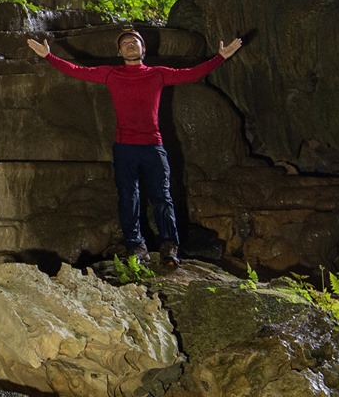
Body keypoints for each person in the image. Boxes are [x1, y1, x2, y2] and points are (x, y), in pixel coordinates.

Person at [24, 26, 242, 268]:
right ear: (119, 51)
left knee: (163, 197)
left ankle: (170, 246)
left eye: (134, 42)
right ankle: (135, 246)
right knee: (129, 198)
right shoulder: (111, 74)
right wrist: (48, 56)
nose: (129, 45)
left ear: (143, 49)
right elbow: (77, 70)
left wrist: (221, 57)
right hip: (125, 147)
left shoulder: (157, 74)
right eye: (125, 43)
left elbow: (192, 73)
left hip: (153, 146)